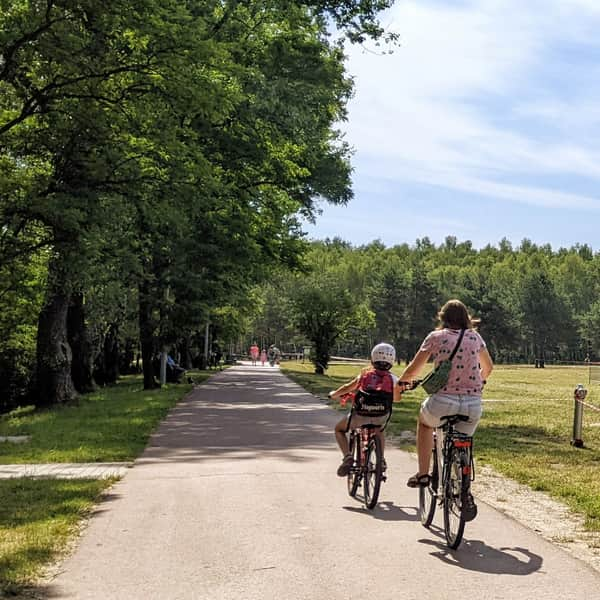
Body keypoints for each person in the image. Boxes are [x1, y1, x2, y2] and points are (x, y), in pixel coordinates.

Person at [399, 299, 493, 517]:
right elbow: (488, 367)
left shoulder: (436, 337)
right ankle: (464, 487)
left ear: (443, 318)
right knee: (464, 441)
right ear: (466, 319)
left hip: (443, 401)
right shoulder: (475, 337)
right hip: (472, 404)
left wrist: (400, 385)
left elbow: (414, 368)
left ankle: (423, 473)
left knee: (424, 423)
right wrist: (479, 381)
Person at [328, 343, 401, 477]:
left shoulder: (364, 375)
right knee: (379, 430)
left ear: (372, 359)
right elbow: (397, 399)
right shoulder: (393, 379)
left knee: (339, 429)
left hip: (360, 416)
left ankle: (347, 457)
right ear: (392, 361)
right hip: (381, 415)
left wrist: (334, 394)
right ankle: (381, 459)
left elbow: (347, 387)